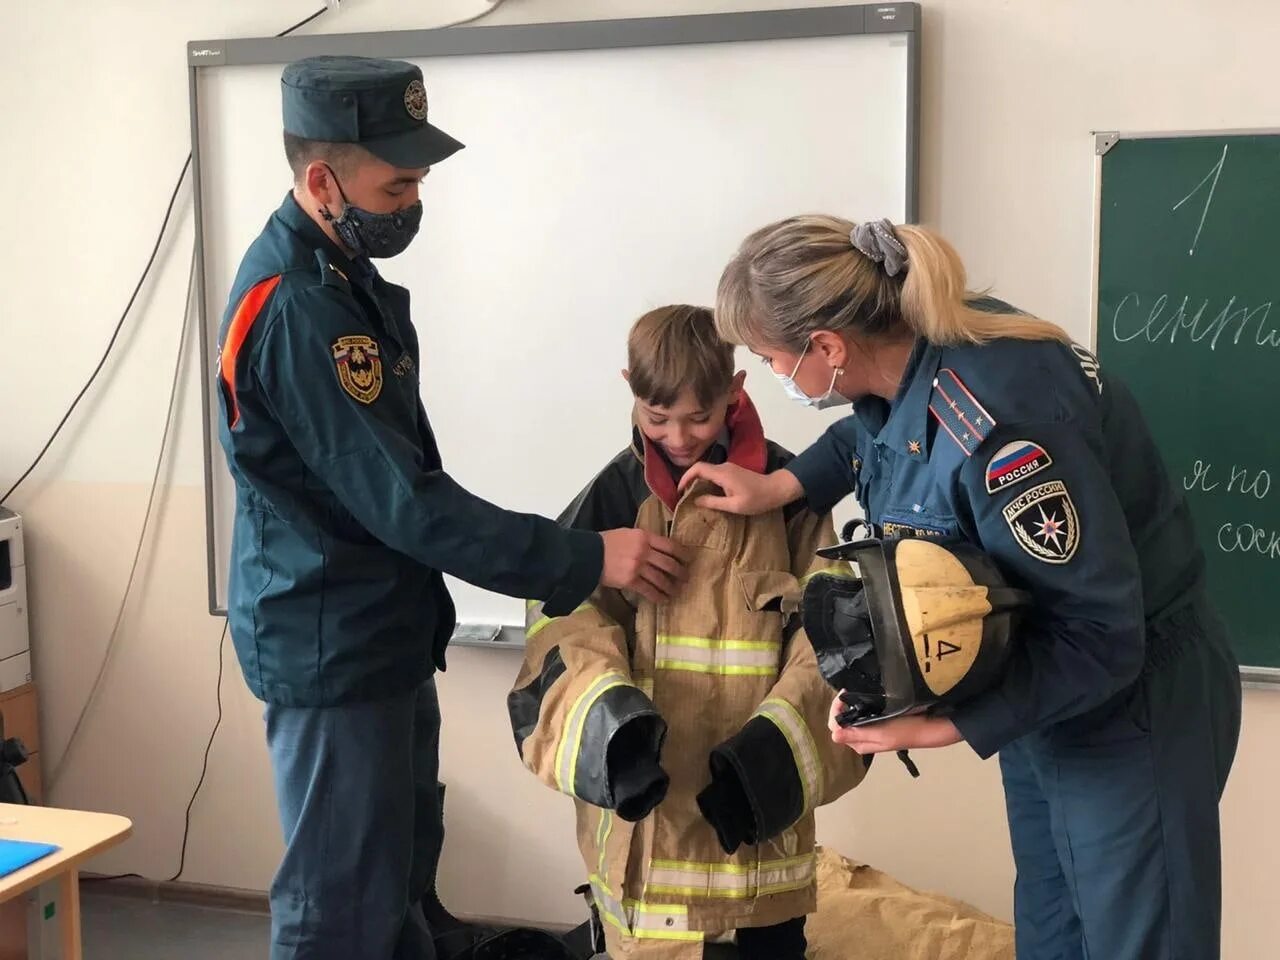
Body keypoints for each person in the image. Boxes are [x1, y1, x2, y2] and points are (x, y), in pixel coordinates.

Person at [215, 55, 685, 960]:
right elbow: (408, 505)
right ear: (322, 179)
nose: (416, 197)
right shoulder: (301, 309)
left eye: (421, 176)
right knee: (339, 909)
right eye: (398, 182)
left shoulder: (340, 278)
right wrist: (587, 558)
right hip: (332, 649)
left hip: (377, 634)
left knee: (397, 886)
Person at [679, 215, 1242, 960]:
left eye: (770, 358)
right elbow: (867, 437)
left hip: (1128, 701)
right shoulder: (907, 354)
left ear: (826, 347)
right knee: (1052, 934)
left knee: (1140, 943)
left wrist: (938, 728)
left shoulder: (1002, 423)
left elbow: (1105, 636)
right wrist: (778, 486)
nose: (774, 375)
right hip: (1047, 696)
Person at [508, 306, 867, 960]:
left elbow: (837, 637)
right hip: (649, 846)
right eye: (656, 416)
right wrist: (612, 733)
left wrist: (777, 749)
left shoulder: (788, 496)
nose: (678, 437)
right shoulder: (614, 498)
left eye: (699, 417)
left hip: (760, 847)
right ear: (630, 389)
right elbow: (560, 620)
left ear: (735, 391)